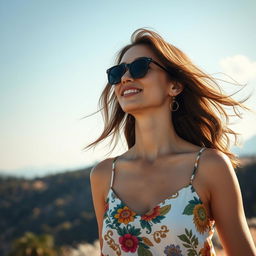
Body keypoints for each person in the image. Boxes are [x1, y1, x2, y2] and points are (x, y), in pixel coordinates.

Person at [88, 28, 256, 255]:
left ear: (174, 86)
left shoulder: (210, 166)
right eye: (117, 73)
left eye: (140, 67)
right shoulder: (104, 175)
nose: (126, 78)